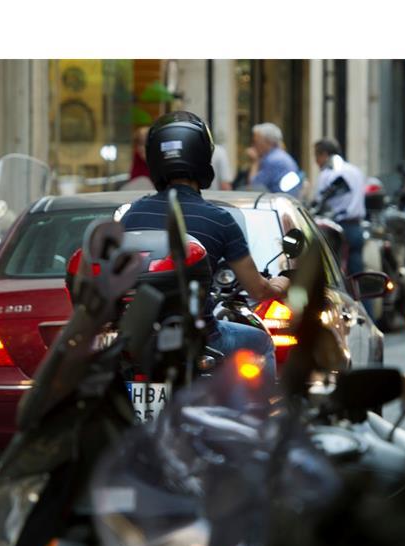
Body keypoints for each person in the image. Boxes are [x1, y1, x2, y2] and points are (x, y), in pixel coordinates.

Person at [122, 111, 289, 384]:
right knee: (260, 341)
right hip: (201, 339)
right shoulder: (219, 218)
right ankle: (258, 423)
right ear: (203, 158)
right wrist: (281, 284)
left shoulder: (133, 214)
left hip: (141, 338)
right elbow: (257, 289)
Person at [312, 138, 372, 318]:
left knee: (334, 280)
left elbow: (317, 202)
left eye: (317, 156)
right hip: (356, 228)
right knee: (358, 280)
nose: (316, 162)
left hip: (336, 233)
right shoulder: (355, 171)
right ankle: (367, 318)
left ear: (324, 154)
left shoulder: (327, 174)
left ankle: (338, 318)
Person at [247, 122, 303, 196]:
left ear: (267, 142)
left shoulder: (272, 160)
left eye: (256, 142)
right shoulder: (280, 156)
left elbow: (254, 186)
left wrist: (255, 162)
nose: (253, 145)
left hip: (279, 202)